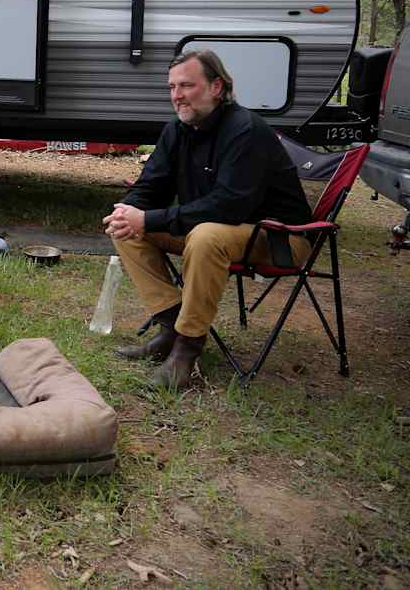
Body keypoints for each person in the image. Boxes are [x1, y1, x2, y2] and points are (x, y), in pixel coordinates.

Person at [104, 49, 313, 390]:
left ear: (218, 87)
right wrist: (127, 210)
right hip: (215, 229)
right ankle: (171, 327)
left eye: (186, 85)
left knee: (205, 236)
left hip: (281, 239)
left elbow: (229, 206)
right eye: (172, 87)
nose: (177, 96)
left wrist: (152, 217)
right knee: (127, 228)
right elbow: (150, 185)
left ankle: (186, 352)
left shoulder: (246, 130)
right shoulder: (178, 129)